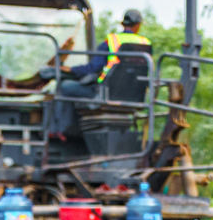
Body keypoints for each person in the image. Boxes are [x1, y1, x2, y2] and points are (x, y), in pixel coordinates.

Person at [43, 10, 153, 141]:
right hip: (133, 96)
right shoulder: (145, 44)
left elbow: (93, 68)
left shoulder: (111, 41)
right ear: (138, 25)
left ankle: (57, 130)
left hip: (105, 94)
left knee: (65, 86)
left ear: (123, 24)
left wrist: (71, 69)